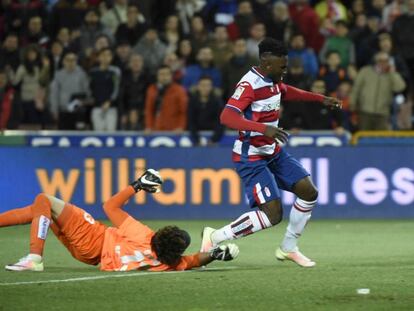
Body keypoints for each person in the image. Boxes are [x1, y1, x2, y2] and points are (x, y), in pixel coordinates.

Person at [200, 38, 342, 268]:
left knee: (309, 192)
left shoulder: (274, 80)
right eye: (282, 67)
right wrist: (263, 128)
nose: (285, 71)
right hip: (251, 156)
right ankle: (214, 237)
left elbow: (288, 92)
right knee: (273, 215)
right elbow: (227, 117)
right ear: (267, 64)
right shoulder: (249, 85)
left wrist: (320, 99)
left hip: (273, 151)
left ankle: (288, 248)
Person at [0, 169, 239, 272]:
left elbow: (109, 206)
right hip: (88, 257)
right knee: (40, 211)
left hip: (94, 237)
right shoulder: (168, 263)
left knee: (44, 200)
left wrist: (137, 185)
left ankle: (34, 257)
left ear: (165, 232)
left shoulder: (143, 235)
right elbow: (193, 260)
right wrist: (216, 255)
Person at [350, 51, 406, 130]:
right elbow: (356, 88)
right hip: (365, 111)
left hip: (383, 113)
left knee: (380, 139)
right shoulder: (365, 71)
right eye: (381, 60)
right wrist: (352, 102)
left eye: (386, 61)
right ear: (376, 61)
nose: (383, 63)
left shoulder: (391, 75)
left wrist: (393, 73)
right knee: (363, 137)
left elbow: (400, 87)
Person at [145, 66, 188, 132]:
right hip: (156, 129)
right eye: (161, 74)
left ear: (171, 76)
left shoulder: (179, 90)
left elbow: (183, 111)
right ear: (157, 76)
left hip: (174, 130)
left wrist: (181, 126)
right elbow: (149, 110)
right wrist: (149, 126)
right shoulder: (152, 89)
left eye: (167, 74)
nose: (164, 77)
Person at [89, 48, 121, 131]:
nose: (105, 57)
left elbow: (116, 89)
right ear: (99, 57)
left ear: (111, 57)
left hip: (111, 108)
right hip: (97, 107)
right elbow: (90, 89)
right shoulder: (93, 72)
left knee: (110, 134)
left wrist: (109, 101)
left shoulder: (115, 71)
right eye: (103, 55)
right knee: (98, 134)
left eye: (108, 55)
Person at [187, 76, 224, 145]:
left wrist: (213, 139)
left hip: (214, 137)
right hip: (196, 137)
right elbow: (191, 121)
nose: (205, 88)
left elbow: (220, 123)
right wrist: (196, 139)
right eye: (203, 85)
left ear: (211, 87)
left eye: (208, 85)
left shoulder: (217, 102)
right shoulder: (192, 102)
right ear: (198, 86)